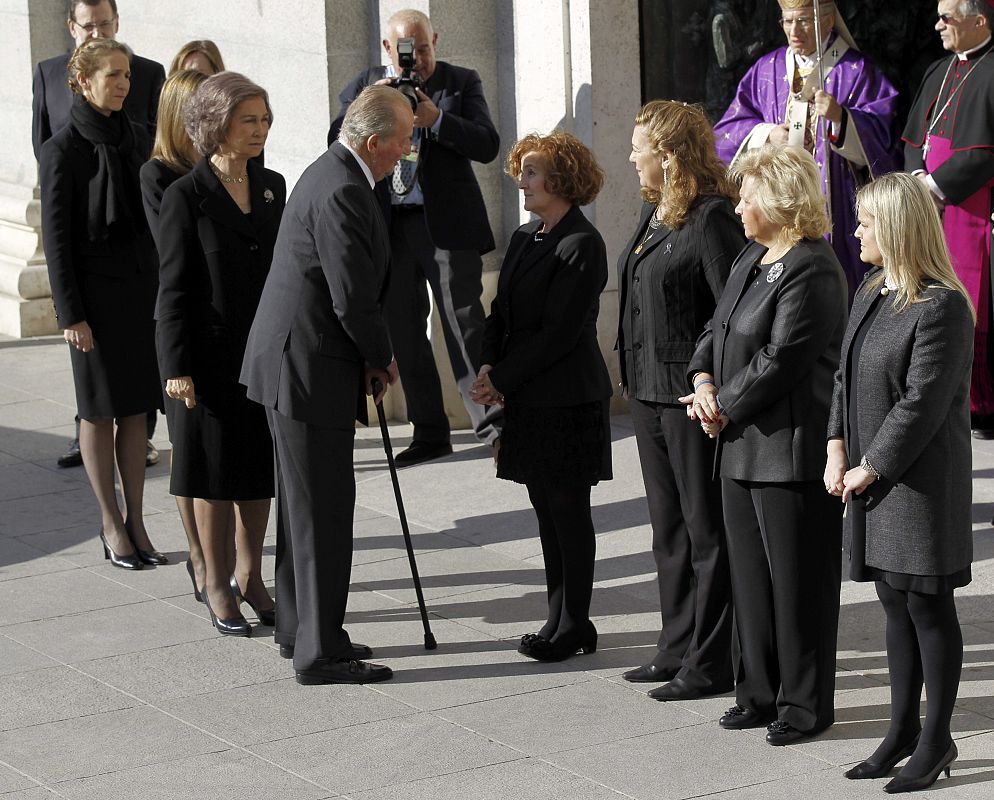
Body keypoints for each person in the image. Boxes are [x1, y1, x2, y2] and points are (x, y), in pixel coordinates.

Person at [241, 85, 412, 683]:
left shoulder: (335, 171)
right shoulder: (341, 186)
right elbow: (351, 293)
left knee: (305, 510)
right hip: (307, 367)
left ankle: (304, 629)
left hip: (300, 364)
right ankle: (319, 652)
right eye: (403, 139)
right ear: (373, 141)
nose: (408, 150)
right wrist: (381, 357)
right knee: (324, 513)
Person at [686, 145, 847, 746]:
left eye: (748, 195)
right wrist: (702, 381)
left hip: (788, 450)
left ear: (779, 200)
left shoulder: (813, 266)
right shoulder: (753, 255)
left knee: (798, 584)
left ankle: (805, 705)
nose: (739, 203)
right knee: (750, 580)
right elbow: (715, 326)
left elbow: (782, 360)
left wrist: (721, 404)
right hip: (738, 444)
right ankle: (757, 692)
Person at [827, 172, 974, 793]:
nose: (854, 230)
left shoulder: (941, 305)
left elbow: (922, 404)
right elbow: (843, 373)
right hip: (872, 475)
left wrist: (870, 465)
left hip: (918, 481)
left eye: (864, 222)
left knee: (926, 602)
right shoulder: (871, 288)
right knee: (892, 600)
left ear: (895, 228)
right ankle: (901, 731)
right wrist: (837, 445)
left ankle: (937, 739)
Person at [328, 8, 501, 466]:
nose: (416, 58)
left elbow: (487, 143)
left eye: (423, 48)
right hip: (389, 225)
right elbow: (335, 141)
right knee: (402, 328)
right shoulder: (369, 84)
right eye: (407, 49)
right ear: (388, 48)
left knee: (464, 324)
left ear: (435, 41)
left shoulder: (459, 81)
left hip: (445, 223)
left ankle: (495, 426)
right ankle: (429, 432)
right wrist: (369, 103)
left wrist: (437, 119)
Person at [470, 131, 612, 663]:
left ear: (562, 180)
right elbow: (500, 311)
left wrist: (502, 378)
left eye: (532, 173)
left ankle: (574, 623)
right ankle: (560, 619)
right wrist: (489, 364)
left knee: (568, 511)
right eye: (522, 171)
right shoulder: (526, 237)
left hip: (567, 399)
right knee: (545, 513)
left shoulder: (581, 243)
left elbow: (561, 332)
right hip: (530, 395)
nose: (522, 182)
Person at [618, 101, 743, 700]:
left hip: (689, 398)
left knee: (705, 530)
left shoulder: (711, 218)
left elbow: (730, 312)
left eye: (639, 147)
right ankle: (676, 644)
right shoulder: (655, 213)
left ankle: (713, 659)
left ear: (667, 156)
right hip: (646, 390)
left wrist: (705, 378)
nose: (631, 157)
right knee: (669, 530)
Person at [155, 72, 283, 637]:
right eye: (247, 120)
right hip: (206, 361)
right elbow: (174, 288)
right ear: (216, 126)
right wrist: (175, 366)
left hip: (262, 356)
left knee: (257, 473)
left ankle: (252, 578)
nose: (259, 130)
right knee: (212, 475)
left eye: (263, 118)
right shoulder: (185, 195)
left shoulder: (274, 185)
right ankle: (216, 582)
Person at [40, 38, 165, 571]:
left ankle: (136, 518)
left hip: (139, 292)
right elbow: (57, 240)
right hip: (92, 301)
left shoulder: (139, 138)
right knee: (99, 410)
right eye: (112, 75)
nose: (123, 84)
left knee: (136, 407)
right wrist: (71, 315)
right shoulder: (61, 150)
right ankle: (110, 522)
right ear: (83, 82)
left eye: (127, 76)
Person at [713, 0, 899, 305]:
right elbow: (727, 132)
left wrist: (842, 118)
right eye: (788, 22)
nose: (794, 30)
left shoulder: (856, 71)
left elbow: (883, 137)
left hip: (836, 204)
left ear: (827, 22)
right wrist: (767, 133)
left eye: (803, 21)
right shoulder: (767, 69)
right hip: (777, 206)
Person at [903, 0, 994, 438]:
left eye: (947, 17)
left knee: (972, 303)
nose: (938, 24)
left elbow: (983, 155)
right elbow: (911, 138)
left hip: (968, 207)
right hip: (929, 206)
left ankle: (983, 405)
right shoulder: (938, 70)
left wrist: (935, 188)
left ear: (979, 22)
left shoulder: (992, 71)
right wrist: (919, 178)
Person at [139, 68, 208, 603]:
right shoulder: (161, 177)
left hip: (228, 325)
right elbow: (176, 261)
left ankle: (235, 562)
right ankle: (201, 557)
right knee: (188, 449)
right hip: (179, 323)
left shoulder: (235, 171)